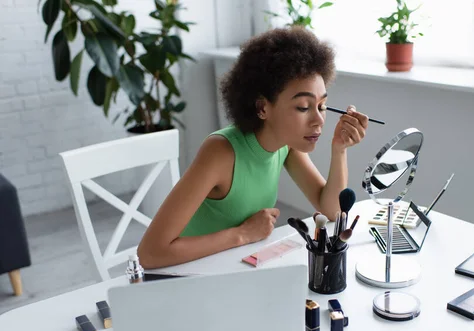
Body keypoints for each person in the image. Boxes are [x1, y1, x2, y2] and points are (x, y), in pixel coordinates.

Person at [137, 27, 369, 269]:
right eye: (303, 107)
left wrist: (339, 149)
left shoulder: (286, 146)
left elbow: (331, 211)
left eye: (322, 106)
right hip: (186, 275)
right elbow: (150, 253)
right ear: (262, 108)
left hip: (234, 269)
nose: (319, 120)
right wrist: (243, 234)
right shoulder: (221, 152)